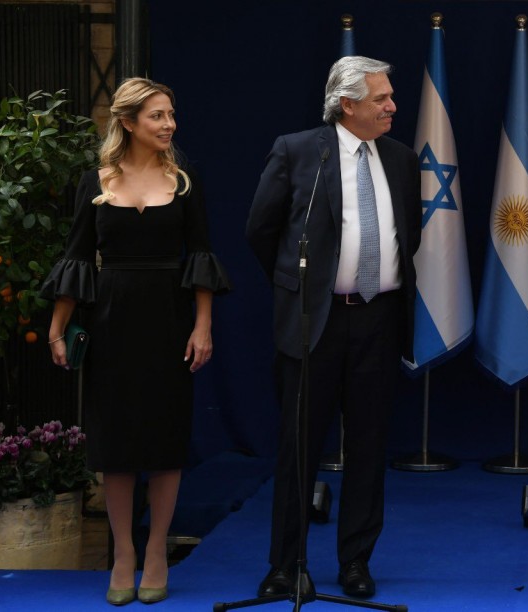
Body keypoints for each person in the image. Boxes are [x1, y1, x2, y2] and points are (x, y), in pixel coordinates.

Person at [42, 77, 231, 606]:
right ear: (127, 123)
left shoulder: (184, 182)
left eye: (171, 114)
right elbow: (77, 257)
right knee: (116, 445)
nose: (170, 124)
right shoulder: (95, 181)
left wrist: (203, 325)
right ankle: (123, 554)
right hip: (110, 323)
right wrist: (57, 328)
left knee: (166, 441)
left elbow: (201, 257)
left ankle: (156, 552)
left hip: (169, 322)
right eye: (157, 116)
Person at [245, 56, 420, 599]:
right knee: (298, 446)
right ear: (347, 104)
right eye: (381, 98)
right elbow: (261, 230)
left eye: (390, 96)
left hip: (379, 319)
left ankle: (356, 562)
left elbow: (407, 236)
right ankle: (285, 565)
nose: (392, 106)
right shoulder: (300, 152)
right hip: (314, 322)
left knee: (369, 445)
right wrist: (303, 288)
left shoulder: (401, 159)